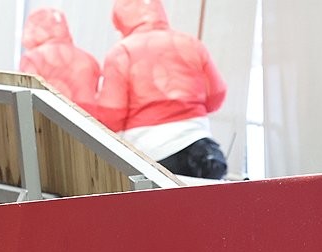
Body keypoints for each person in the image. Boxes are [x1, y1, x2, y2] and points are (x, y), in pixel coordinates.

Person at [94, 0, 229, 180]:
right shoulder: (190, 43)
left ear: (120, 19)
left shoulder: (122, 51)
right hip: (201, 148)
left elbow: (112, 114)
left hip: (151, 156)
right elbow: (216, 95)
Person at [19, 7, 100, 115]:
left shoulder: (32, 59)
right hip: (88, 128)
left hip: (49, 126)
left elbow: (25, 100)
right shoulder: (89, 60)